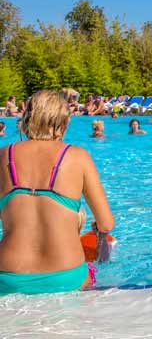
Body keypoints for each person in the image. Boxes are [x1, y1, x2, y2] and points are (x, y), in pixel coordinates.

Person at [0, 90, 114, 295]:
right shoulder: (78, 157)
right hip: (66, 274)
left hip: (9, 275)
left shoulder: (3, 155)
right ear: (63, 123)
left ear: (28, 118)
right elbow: (106, 223)